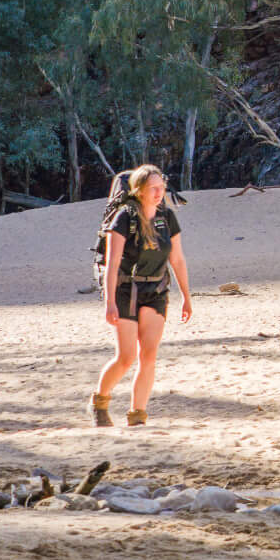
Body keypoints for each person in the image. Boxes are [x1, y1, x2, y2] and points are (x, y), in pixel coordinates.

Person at [94, 165, 191, 427]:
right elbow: (112, 264)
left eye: (162, 187)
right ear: (139, 191)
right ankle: (100, 401)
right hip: (126, 290)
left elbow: (178, 260)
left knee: (149, 355)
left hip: (156, 291)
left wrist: (186, 296)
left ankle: (137, 415)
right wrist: (110, 303)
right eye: (154, 189)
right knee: (126, 357)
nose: (160, 193)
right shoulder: (124, 219)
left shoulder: (167, 218)